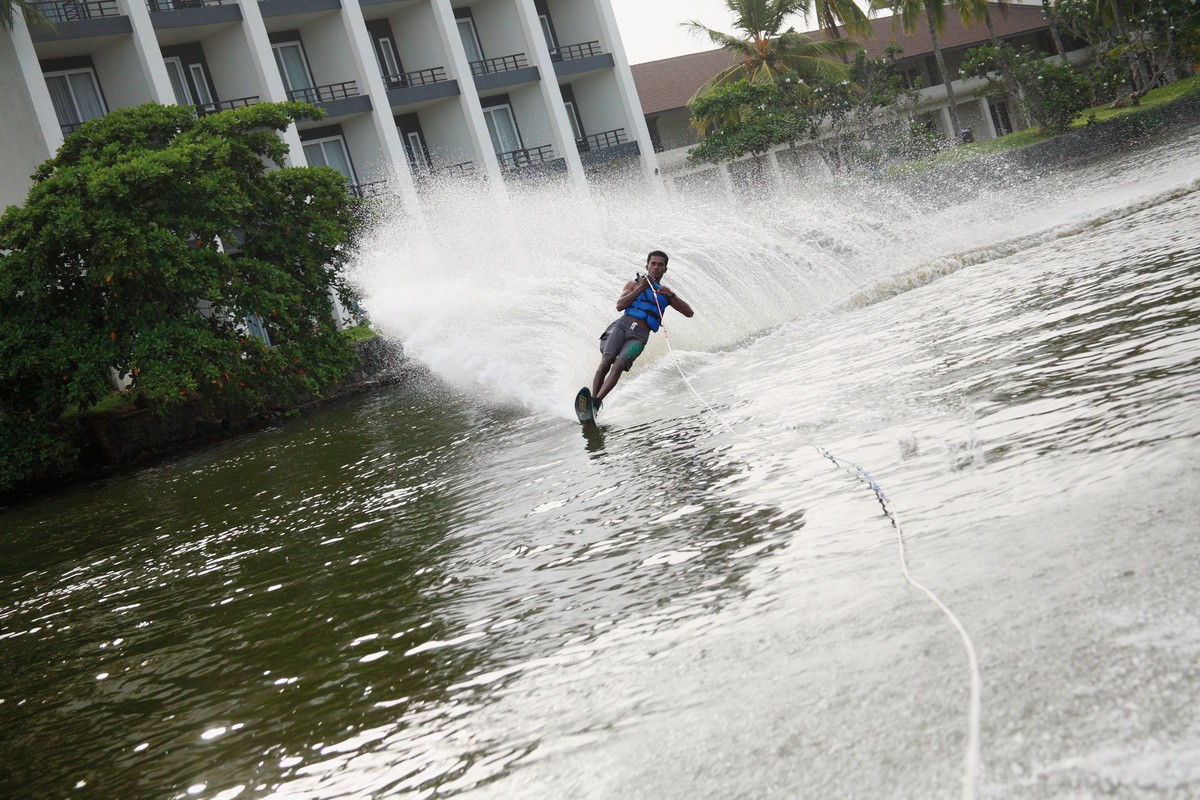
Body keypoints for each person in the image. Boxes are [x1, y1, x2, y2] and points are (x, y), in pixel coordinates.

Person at [591, 250, 694, 411]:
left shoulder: (665, 294)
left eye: (660, 265)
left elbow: (689, 313)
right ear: (647, 266)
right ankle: (591, 400)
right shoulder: (633, 284)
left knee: (619, 365)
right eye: (653, 263)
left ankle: (596, 403)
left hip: (639, 337)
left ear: (665, 269)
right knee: (607, 360)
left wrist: (672, 296)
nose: (656, 267)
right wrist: (641, 288)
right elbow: (620, 305)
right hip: (621, 326)